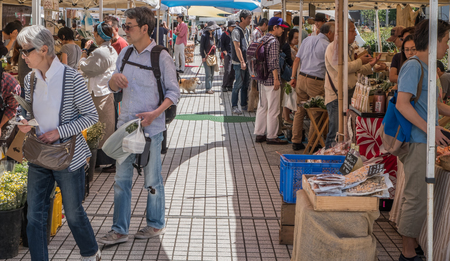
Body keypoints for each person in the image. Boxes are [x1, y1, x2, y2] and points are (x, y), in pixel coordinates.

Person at [16, 25, 100, 261]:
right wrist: (24, 121)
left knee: (73, 214)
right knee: (35, 216)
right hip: (39, 155)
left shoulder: (71, 77)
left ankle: (91, 253)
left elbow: (91, 116)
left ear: (43, 49)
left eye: (26, 51)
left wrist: (58, 131)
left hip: (68, 156)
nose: (23, 56)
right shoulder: (29, 79)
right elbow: (28, 111)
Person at [98, 6, 179, 245]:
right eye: (124, 26)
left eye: (128, 26)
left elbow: (174, 93)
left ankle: (155, 225)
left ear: (144, 28)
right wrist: (113, 81)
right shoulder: (125, 54)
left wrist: (154, 114)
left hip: (151, 129)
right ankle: (120, 230)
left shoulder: (161, 56)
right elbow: (113, 88)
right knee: (121, 181)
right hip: (126, 127)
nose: (124, 30)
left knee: (152, 180)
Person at [396, 19, 450, 261]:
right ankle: (408, 253)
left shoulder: (429, 67)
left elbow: (434, 104)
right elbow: (402, 104)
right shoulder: (414, 66)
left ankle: (414, 243)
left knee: (420, 195)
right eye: (446, 40)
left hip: (426, 139)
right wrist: (431, 128)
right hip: (418, 141)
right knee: (416, 195)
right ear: (433, 40)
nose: (447, 46)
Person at [324, 19, 383, 149]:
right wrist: (361, 61)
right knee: (335, 132)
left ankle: (340, 157)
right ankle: (328, 159)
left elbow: (355, 70)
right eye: (353, 30)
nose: (355, 34)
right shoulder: (333, 47)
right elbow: (342, 68)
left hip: (349, 93)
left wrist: (371, 66)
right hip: (336, 96)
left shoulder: (347, 48)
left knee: (347, 131)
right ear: (344, 32)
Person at [289, 22, 335, 151]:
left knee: (300, 110)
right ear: (329, 33)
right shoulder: (328, 46)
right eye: (335, 33)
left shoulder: (307, 39)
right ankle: (312, 143)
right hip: (316, 81)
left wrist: (293, 77)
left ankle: (296, 141)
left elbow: (297, 59)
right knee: (316, 114)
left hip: (302, 77)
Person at [79, 22, 118, 168]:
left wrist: (84, 52)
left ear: (99, 35)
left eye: (95, 33)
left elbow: (85, 69)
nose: (94, 36)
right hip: (106, 92)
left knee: (99, 128)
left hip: (98, 93)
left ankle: (102, 161)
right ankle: (107, 160)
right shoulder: (111, 50)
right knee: (106, 126)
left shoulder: (99, 52)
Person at [254, 17, 289, 145]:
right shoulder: (274, 41)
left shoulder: (262, 38)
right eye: (281, 28)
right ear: (275, 27)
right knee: (274, 109)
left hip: (262, 79)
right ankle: (272, 136)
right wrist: (276, 79)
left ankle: (259, 133)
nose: (282, 31)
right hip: (271, 80)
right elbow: (273, 62)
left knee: (262, 107)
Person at [231, 10, 252, 115]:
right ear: (242, 18)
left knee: (245, 84)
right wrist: (242, 62)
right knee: (238, 84)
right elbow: (237, 47)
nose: (250, 20)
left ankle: (244, 104)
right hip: (239, 62)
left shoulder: (246, 30)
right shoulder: (236, 31)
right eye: (248, 18)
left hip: (246, 61)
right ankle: (234, 106)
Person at [200, 21, 219, 94]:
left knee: (212, 74)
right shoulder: (204, 35)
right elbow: (201, 47)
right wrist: (203, 56)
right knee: (208, 74)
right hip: (206, 56)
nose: (214, 29)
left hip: (213, 56)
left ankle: (210, 87)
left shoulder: (214, 35)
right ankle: (208, 88)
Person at [220, 21, 236, 92]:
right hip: (228, 55)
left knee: (233, 71)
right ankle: (224, 85)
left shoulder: (235, 34)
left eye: (234, 26)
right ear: (228, 27)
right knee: (227, 70)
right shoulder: (224, 34)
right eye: (232, 27)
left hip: (234, 55)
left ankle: (230, 85)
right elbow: (221, 45)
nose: (233, 28)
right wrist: (225, 52)